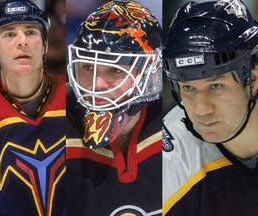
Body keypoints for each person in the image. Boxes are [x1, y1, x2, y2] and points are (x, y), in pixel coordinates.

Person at [65, 0, 163, 215]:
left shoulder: (182, 125)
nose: (96, 84)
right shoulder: (54, 127)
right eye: (87, 67)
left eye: (115, 70)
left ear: (150, 74)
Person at [0, 0, 66, 215]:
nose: (22, 41)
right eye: (9, 34)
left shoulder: (75, 97)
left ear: (45, 45)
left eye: (31, 32)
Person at [162, 0, 258, 215]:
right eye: (188, 88)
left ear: (252, 78)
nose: (202, 110)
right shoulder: (171, 154)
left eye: (216, 86)